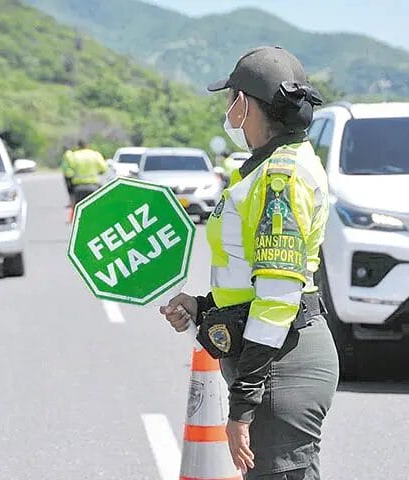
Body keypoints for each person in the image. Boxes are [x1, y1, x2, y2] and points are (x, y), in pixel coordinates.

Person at [159, 46, 338, 480]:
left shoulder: (282, 179)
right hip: (273, 355)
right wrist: (204, 307)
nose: (227, 107)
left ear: (244, 104)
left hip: (279, 366)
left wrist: (243, 404)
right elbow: (254, 279)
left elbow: (277, 297)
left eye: (230, 97)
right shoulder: (265, 170)